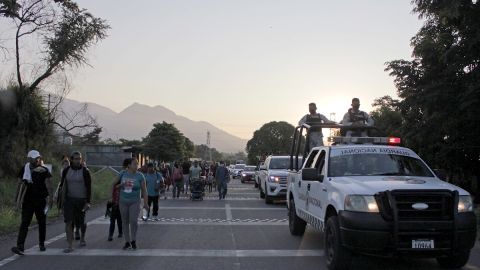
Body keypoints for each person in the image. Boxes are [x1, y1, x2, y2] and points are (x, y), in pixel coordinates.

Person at [11, 150, 53, 255]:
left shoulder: (43, 170)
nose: (37, 159)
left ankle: (41, 243)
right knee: (24, 223)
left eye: (38, 157)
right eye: (35, 158)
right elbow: (19, 183)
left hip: (41, 200)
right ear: (29, 159)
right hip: (28, 201)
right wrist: (16, 199)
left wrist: (51, 197)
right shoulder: (24, 169)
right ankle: (20, 246)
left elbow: (48, 183)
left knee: (41, 222)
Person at [59, 151, 92, 253]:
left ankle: (82, 238)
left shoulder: (85, 171)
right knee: (69, 222)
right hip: (69, 200)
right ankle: (70, 245)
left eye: (80, 159)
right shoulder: (66, 170)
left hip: (81, 200)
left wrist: (88, 202)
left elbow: (89, 188)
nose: (78, 161)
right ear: (72, 159)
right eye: (76, 159)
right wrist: (61, 201)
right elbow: (62, 186)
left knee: (82, 222)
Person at [114, 158, 148, 250]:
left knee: (133, 221)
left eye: (137, 164)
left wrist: (145, 203)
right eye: (135, 164)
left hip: (135, 202)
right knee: (124, 221)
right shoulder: (122, 174)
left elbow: (144, 190)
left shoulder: (140, 176)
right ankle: (127, 241)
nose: (137, 166)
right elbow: (114, 186)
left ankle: (133, 240)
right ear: (129, 165)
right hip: (123, 201)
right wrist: (121, 185)